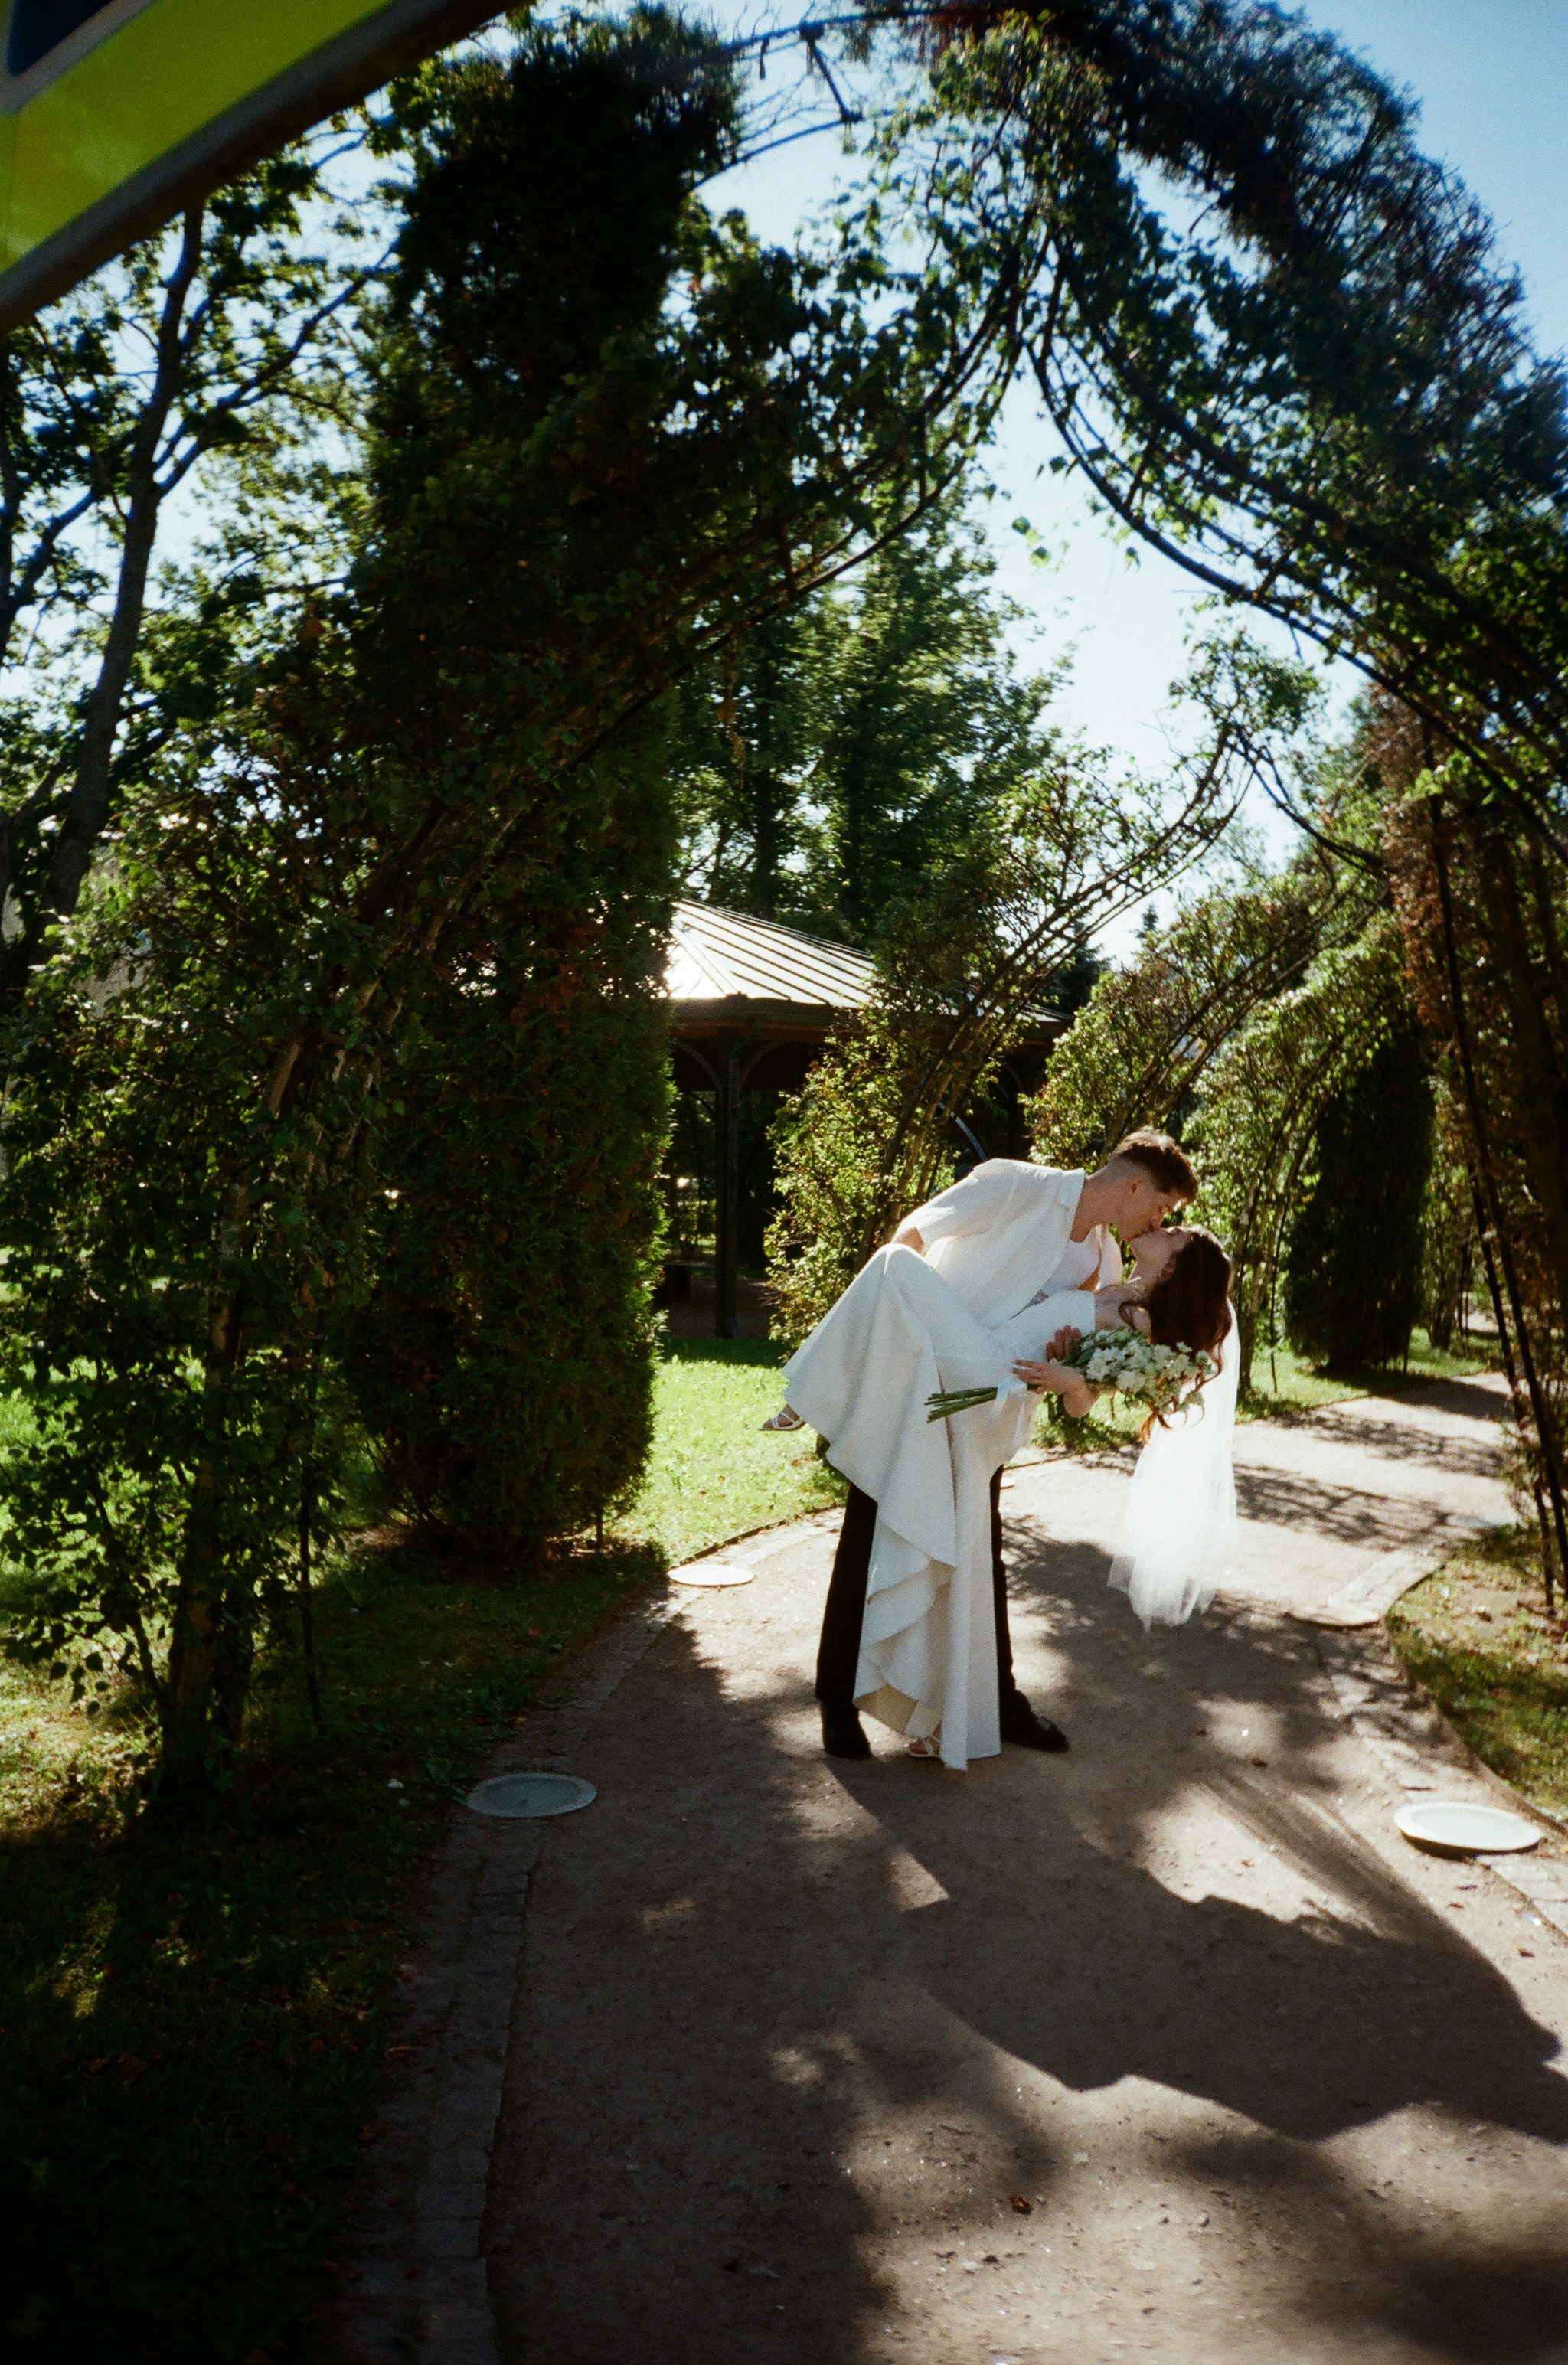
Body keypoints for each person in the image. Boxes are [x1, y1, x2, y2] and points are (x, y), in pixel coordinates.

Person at [768, 1131, 1207, 1768]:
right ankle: (837, 1702)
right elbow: (912, 1237)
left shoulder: (1107, 1266)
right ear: (1134, 1185)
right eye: (1162, 1208)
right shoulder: (1013, 1184)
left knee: (976, 1550)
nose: (1160, 1221)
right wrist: (903, 1345)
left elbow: (1075, 1373)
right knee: (868, 1531)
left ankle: (994, 1702)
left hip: (987, 1413)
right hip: (916, 1390)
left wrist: (1063, 1365)